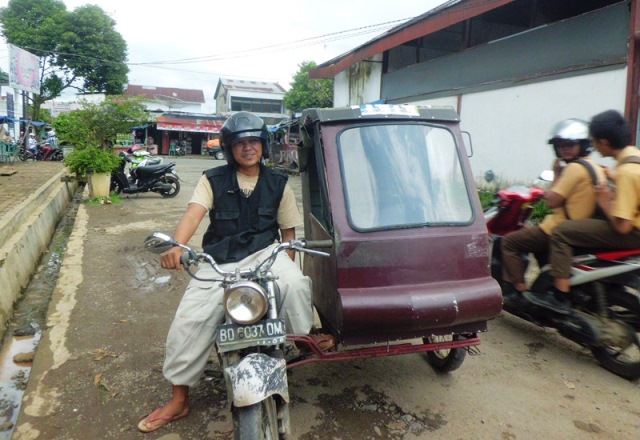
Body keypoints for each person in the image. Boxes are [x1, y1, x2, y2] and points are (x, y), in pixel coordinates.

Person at [137, 111, 333, 433]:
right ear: (229, 148)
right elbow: (193, 214)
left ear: (263, 145)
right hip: (221, 259)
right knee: (189, 318)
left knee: (296, 284)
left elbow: (287, 233)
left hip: (265, 254)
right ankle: (179, 397)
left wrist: (288, 260)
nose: (247, 148)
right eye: (239, 143)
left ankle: (298, 339)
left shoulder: (279, 183)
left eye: (253, 141)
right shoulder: (212, 179)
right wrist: (176, 245)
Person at [524, 110, 640, 313]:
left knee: (562, 231)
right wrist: (612, 176)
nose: (592, 146)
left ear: (604, 142)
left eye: (594, 141)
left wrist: (605, 202)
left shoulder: (626, 172)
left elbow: (622, 227)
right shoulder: (633, 160)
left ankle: (560, 296)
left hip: (632, 234)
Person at [501, 119, 606, 299]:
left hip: (559, 229)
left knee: (509, 242)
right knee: (537, 247)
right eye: (560, 145)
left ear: (583, 145)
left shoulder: (573, 168)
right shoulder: (596, 167)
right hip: (581, 228)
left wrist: (557, 174)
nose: (564, 148)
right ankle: (544, 285)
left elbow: (552, 201)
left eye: (570, 144)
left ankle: (519, 291)